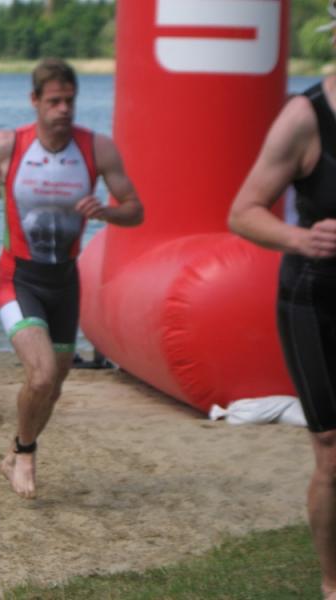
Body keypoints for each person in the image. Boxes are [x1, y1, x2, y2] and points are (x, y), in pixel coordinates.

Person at [0, 58, 143, 498]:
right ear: (34, 100)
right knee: (40, 375)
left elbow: (136, 210)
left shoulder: (97, 149)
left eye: (69, 101)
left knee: (53, 386)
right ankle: (26, 453)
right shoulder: (9, 145)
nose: (63, 110)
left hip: (65, 283)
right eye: (54, 101)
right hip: (18, 278)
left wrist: (107, 212)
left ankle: (13, 453)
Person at [228, 7, 336, 595]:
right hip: (314, 298)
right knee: (332, 452)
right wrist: (300, 238)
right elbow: (243, 212)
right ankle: (332, 583)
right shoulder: (305, 116)